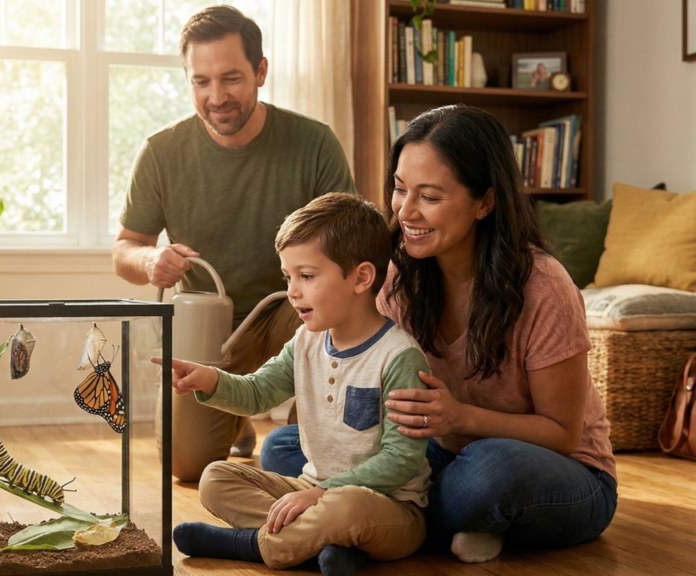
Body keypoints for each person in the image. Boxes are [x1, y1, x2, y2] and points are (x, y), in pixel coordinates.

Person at [259, 105, 617, 564]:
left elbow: (564, 434)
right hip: (434, 454)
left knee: (484, 478)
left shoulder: (543, 287)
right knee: (285, 447)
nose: (406, 211)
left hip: (556, 470)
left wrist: (459, 418)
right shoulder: (395, 275)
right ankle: (378, 522)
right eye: (400, 188)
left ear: (484, 201)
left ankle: (376, 523)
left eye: (429, 196)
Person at [112, 5, 355, 481]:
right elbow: (125, 248)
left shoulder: (314, 143)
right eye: (201, 82)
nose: (216, 96)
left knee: (329, 312)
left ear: (261, 71)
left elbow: (350, 251)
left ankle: (305, 445)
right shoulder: (161, 153)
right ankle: (237, 412)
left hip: (293, 310)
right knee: (185, 468)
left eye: (231, 78)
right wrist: (149, 260)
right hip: (210, 323)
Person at [165, 193, 432, 575]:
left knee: (347, 507)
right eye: (288, 277)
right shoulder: (305, 342)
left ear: (361, 278)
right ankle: (327, 546)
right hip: (310, 491)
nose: (292, 291)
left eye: (306, 276)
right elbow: (258, 393)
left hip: (389, 508)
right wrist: (209, 380)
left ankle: (252, 546)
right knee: (215, 477)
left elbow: (401, 460)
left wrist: (325, 494)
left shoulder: (399, 358)